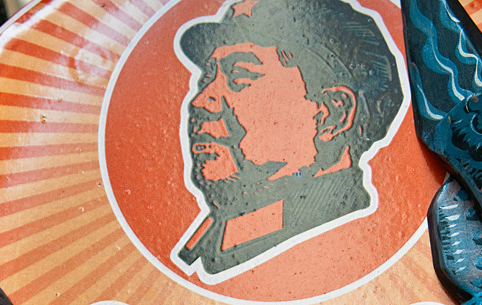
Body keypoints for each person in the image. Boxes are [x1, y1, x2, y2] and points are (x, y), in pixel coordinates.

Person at [174, 0, 406, 281]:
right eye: (208, 77)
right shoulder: (210, 242)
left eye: (240, 77)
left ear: (331, 113)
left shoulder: (332, 249)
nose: (201, 101)